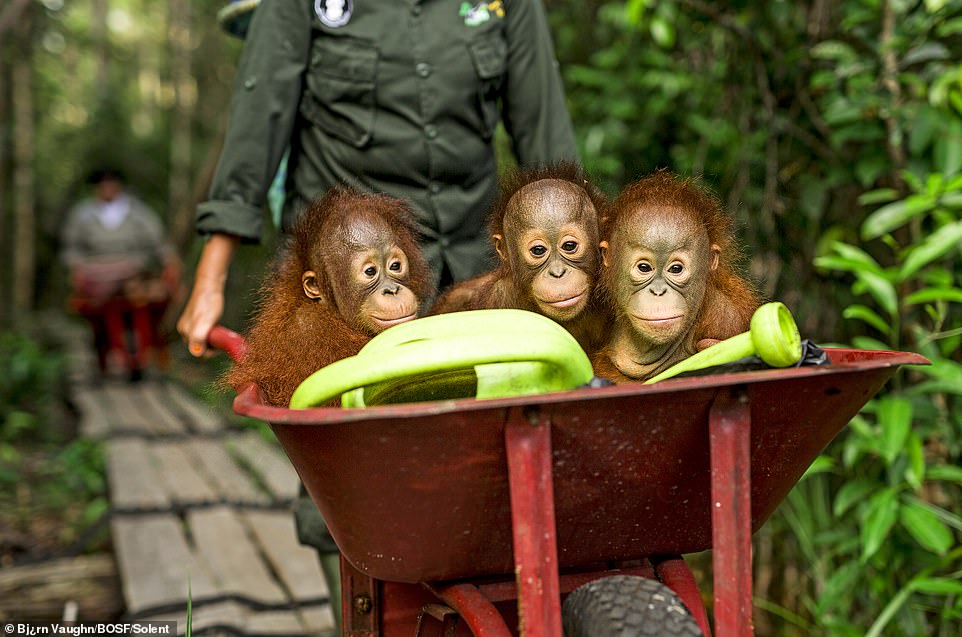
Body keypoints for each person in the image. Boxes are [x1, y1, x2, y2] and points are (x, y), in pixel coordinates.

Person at [177, 0, 580, 630]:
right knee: (350, 469)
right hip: (348, 275)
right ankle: (361, 615)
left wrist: (579, 264)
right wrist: (211, 277)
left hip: (466, 260)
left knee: (493, 458)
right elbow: (261, 116)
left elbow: (547, 138)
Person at [61, 168, 179, 381]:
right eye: (102, 184)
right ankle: (107, 358)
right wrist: (76, 270)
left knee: (142, 301)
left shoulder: (137, 212)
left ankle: (141, 358)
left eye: (111, 183)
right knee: (100, 313)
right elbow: (72, 248)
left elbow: (158, 242)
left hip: (132, 270)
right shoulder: (83, 214)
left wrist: (170, 263)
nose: (107, 188)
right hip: (95, 271)